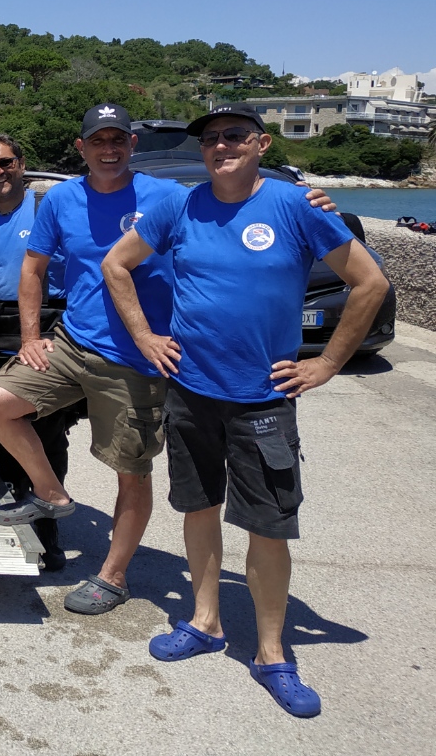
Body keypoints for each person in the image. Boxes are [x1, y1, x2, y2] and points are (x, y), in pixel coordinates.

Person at [0, 104, 335, 617]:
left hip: (138, 360)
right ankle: (51, 493)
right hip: (75, 341)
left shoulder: (169, 197)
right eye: (97, 141)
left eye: (117, 139)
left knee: (131, 471)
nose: (108, 149)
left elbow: (235, 194)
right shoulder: (60, 199)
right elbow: (33, 270)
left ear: (132, 145)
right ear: (80, 148)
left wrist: (307, 201)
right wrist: (31, 337)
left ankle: (113, 576)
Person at [102, 104, 388, 719]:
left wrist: (326, 363)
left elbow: (370, 283)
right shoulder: (180, 205)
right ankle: (205, 622)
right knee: (198, 508)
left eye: (234, 135)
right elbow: (115, 264)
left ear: (261, 144)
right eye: (211, 138)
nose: (221, 145)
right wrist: (147, 337)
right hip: (191, 392)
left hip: (262, 399)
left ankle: (271, 653)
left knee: (268, 526)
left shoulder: (295, 206)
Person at [0, 134, 75, 570]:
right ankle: (17, 497)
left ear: (22, 164)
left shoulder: (49, 209)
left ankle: (48, 527)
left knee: (46, 430)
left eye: (5, 162)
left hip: (44, 329)